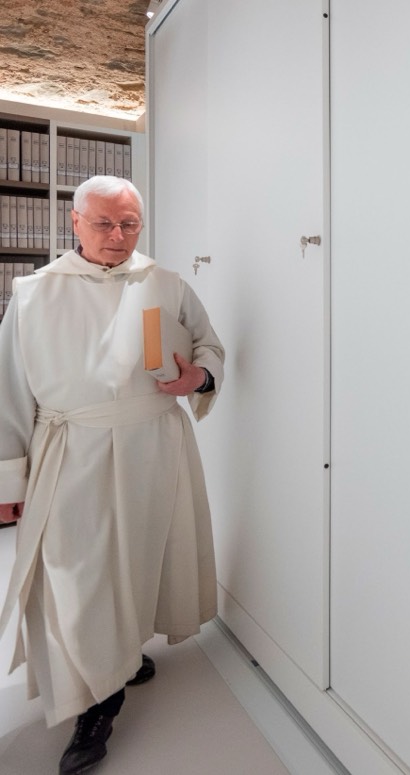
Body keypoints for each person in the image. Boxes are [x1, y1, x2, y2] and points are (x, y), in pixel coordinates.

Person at [0, 175, 224, 774]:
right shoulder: (33, 293)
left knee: (139, 560)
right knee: (77, 574)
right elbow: (8, 393)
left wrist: (196, 378)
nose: (118, 235)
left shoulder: (167, 284)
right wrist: (7, 484)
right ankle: (98, 701)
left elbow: (210, 348)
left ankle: (119, 659)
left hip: (154, 447)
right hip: (71, 452)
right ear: (75, 222)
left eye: (129, 224)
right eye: (103, 223)